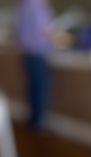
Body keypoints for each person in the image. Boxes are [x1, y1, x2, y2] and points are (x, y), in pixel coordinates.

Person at [16, 0, 54, 130]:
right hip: (38, 52)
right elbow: (44, 31)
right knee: (40, 88)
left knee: (33, 88)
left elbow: (19, 30)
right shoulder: (37, 6)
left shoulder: (24, 5)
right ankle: (38, 123)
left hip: (28, 53)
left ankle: (33, 120)